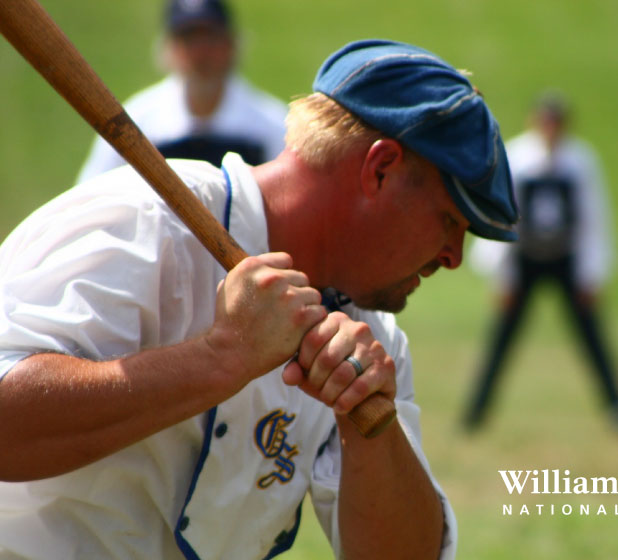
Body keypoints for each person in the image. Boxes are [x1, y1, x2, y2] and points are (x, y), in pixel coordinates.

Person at [0, 39, 518, 559]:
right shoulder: (142, 223)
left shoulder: (371, 343)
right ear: (379, 169)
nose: (454, 256)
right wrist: (221, 358)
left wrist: (370, 429)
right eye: (450, 220)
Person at [463, 91, 618, 433]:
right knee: (502, 340)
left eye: (557, 122)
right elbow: (502, 216)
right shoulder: (519, 158)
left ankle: (617, 409)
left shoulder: (580, 162)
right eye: (546, 121)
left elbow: (592, 220)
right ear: (535, 122)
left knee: (591, 338)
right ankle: (476, 414)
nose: (551, 128)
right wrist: (502, 276)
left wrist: (590, 274)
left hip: (566, 260)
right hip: (524, 260)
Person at [76, 0, 288, 182]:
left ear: (231, 44)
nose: (201, 53)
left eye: (210, 37)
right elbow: (88, 198)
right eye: (189, 39)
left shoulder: (271, 126)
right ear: (168, 48)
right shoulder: (135, 122)